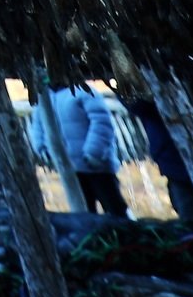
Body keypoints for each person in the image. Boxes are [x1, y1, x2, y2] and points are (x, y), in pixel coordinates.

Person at [31, 83, 129, 216]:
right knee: (83, 213)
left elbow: (101, 122)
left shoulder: (84, 91)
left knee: (115, 210)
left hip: (97, 167)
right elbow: (37, 127)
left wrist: (94, 153)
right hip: (70, 171)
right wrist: (42, 149)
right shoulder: (43, 98)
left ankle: (126, 229)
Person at [131, 98, 193, 223]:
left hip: (181, 150)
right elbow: (135, 106)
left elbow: (137, 106)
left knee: (192, 217)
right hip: (171, 155)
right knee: (189, 215)